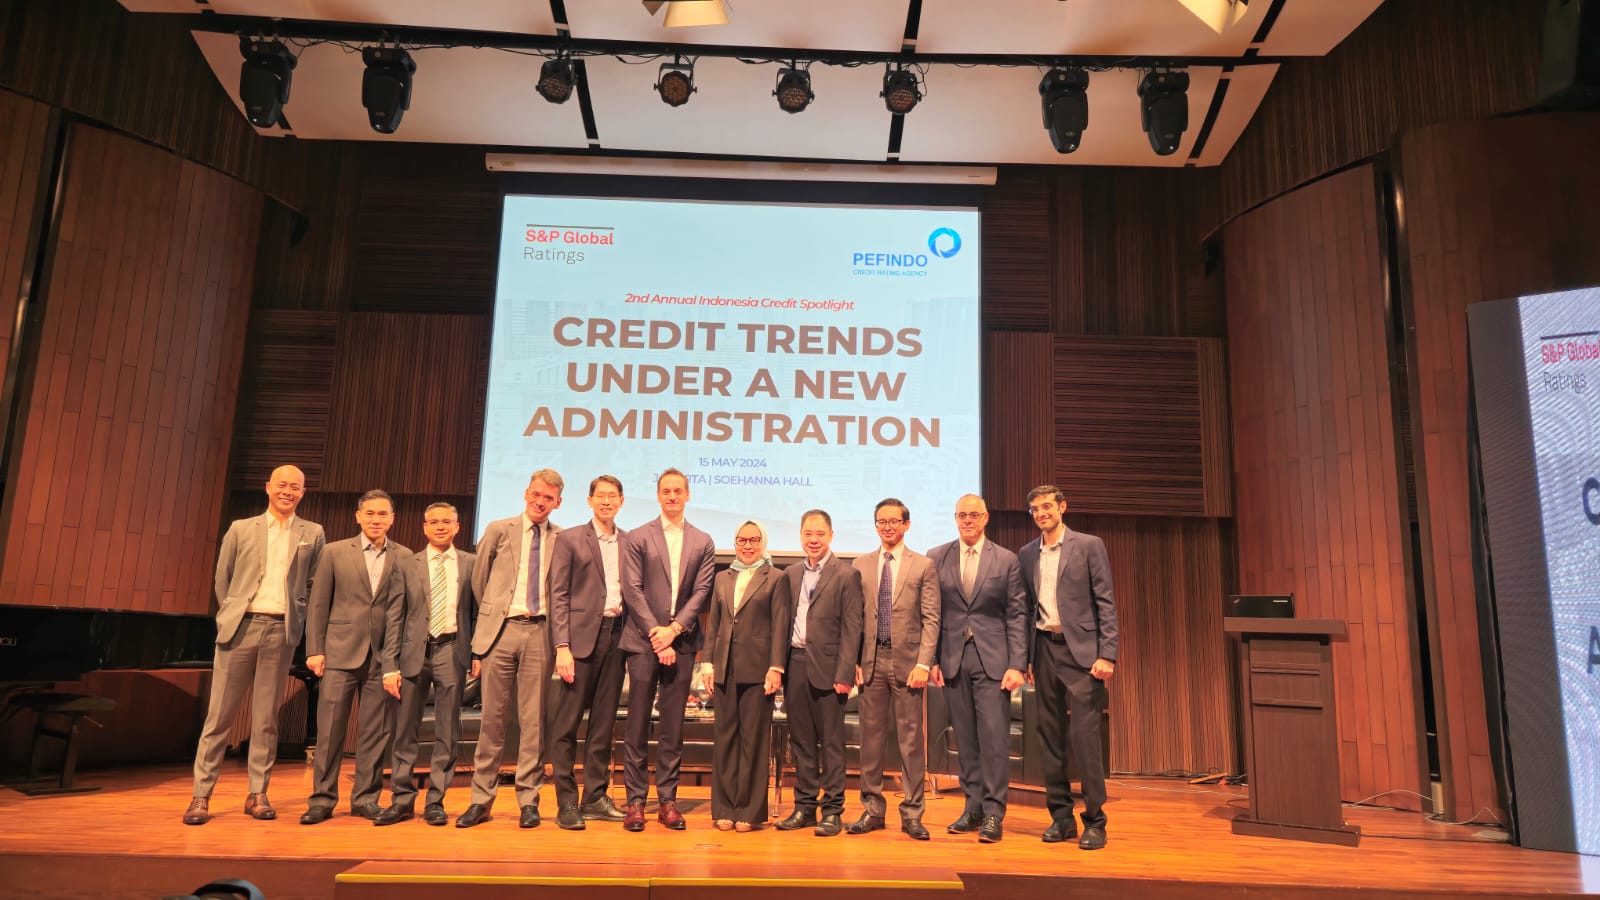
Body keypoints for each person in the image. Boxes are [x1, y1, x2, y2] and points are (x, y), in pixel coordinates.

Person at [183, 465, 325, 825]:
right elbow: (223, 579)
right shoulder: (241, 528)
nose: (288, 491)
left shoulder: (313, 533)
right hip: (240, 627)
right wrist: (231, 614)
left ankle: (257, 793)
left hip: (281, 630)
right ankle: (201, 795)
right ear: (268, 488)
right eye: (282, 485)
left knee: (265, 719)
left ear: (303, 493)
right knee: (219, 716)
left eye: (295, 487)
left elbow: (314, 584)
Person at [456, 469, 564, 829]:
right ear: (525, 493)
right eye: (536, 494)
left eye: (548, 498)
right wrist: (495, 615)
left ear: (558, 502)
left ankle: (529, 800)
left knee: (533, 722)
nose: (540, 502)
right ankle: (480, 799)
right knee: (492, 720)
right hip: (500, 631)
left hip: (540, 632)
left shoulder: (563, 538)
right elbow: (480, 581)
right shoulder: (499, 529)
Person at [1018, 485, 1117, 850]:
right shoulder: (1027, 553)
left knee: (1084, 737)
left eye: (1047, 506)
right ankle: (1061, 818)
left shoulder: (1089, 545)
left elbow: (1105, 602)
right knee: (1049, 736)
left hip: (1083, 655)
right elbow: (1026, 610)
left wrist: (1108, 654)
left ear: (1062, 507)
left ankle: (1095, 820)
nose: (1041, 513)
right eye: (1035, 509)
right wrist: (1025, 659)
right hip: (1044, 649)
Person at [300, 490, 408, 824]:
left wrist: (395, 660)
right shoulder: (334, 552)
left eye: (383, 514)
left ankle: (365, 798)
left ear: (392, 519)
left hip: (382, 658)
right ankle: (322, 799)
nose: (376, 520)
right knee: (330, 730)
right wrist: (315, 649)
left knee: (375, 733)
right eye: (370, 514)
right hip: (339, 653)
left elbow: (402, 611)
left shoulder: (404, 556)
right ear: (358, 516)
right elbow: (318, 603)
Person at [619, 468, 716, 831]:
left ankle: (667, 800)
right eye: (666, 491)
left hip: (683, 643)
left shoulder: (703, 540)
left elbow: (702, 592)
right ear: (658, 495)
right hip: (643, 642)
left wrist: (673, 631)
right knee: (637, 723)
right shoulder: (638, 536)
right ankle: (635, 802)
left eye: (678, 491)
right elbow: (632, 589)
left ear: (687, 495)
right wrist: (656, 634)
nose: (672, 496)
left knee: (672, 727)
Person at [928, 493, 1026, 844]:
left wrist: (1017, 664)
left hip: (993, 661)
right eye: (962, 515)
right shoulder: (936, 556)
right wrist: (932, 660)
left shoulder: (1006, 559)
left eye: (974, 515)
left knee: (994, 739)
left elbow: (1017, 614)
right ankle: (972, 808)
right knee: (965, 739)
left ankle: (994, 813)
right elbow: (932, 614)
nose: (967, 520)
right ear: (955, 518)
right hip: (953, 659)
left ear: (985, 518)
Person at [376, 502, 478, 827]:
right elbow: (395, 616)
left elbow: (477, 613)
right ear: (424, 527)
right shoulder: (407, 564)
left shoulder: (471, 564)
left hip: (452, 649)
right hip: (412, 653)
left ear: (457, 527)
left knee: (447, 731)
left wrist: (477, 654)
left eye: (446, 522)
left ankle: (435, 801)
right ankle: (402, 800)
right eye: (433, 522)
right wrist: (389, 664)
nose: (440, 527)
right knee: (405, 730)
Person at [848, 498, 940, 841]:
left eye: (894, 521)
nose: (887, 527)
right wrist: (854, 660)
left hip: (908, 665)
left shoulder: (924, 566)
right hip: (871, 664)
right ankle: (872, 810)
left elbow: (932, 619)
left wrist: (924, 663)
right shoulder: (860, 564)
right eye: (881, 522)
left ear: (906, 524)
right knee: (870, 742)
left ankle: (913, 813)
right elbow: (854, 619)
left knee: (911, 742)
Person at [547, 475, 631, 830]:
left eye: (612, 496)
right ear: (590, 500)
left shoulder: (630, 541)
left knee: (603, 724)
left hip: (617, 638)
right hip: (578, 642)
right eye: (600, 496)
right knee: (566, 725)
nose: (606, 501)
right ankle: (566, 802)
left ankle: (595, 797)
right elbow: (558, 595)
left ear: (621, 501)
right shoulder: (570, 539)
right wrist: (561, 646)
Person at [696, 520, 792, 832]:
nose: (747, 546)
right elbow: (715, 624)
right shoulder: (723, 577)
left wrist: (776, 667)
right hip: (724, 668)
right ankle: (724, 808)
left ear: (763, 543)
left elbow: (780, 625)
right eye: (742, 540)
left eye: (753, 540)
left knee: (753, 741)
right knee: (725, 740)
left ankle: (749, 812)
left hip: (758, 669)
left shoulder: (776, 577)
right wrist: (707, 664)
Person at [774, 510, 863, 837]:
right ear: (800, 536)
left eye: (820, 534)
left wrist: (845, 673)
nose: (814, 540)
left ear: (831, 535)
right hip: (795, 665)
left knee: (831, 744)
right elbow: (783, 623)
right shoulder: (790, 574)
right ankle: (805, 807)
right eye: (808, 534)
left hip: (830, 670)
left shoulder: (846, 574)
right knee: (801, 743)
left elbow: (853, 628)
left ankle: (833, 811)